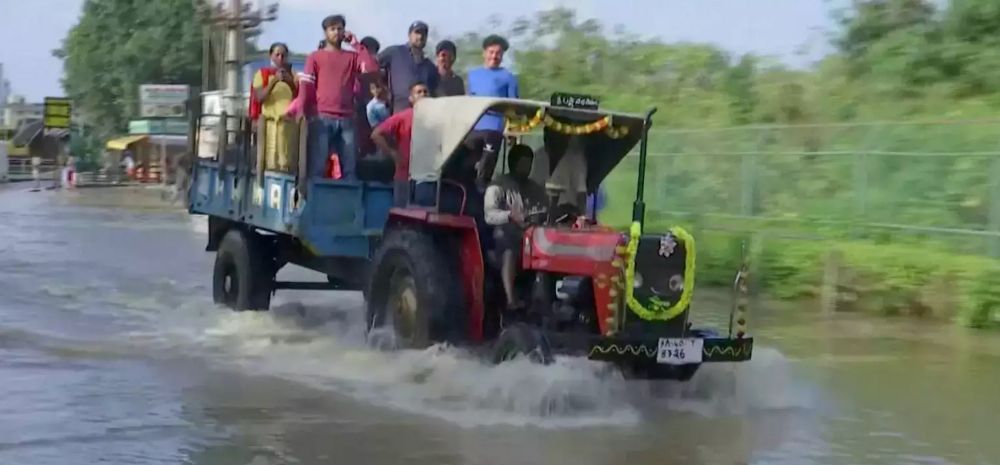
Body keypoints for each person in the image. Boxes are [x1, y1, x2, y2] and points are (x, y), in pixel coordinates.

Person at [303, 14, 377, 182]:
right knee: (318, 167)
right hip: (322, 117)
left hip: (347, 118)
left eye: (340, 28)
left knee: (350, 169)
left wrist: (356, 45)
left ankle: (348, 198)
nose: (337, 32)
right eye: (332, 29)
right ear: (325, 32)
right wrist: (304, 110)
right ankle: (316, 197)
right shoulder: (315, 57)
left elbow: (371, 69)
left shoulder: (352, 57)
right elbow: (306, 86)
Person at [484, 144, 548, 310]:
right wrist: (509, 216)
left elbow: (545, 210)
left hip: (531, 235)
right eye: (523, 164)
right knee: (509, 246)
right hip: (503, 236)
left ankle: (543, 300)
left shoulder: (536, 189)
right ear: (512, 163)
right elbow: (489, 216)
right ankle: (511, 300)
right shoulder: (497, 186)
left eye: (529, 164)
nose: (526, 169)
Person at [465, 34, 518, 187]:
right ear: (484, 53)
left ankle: (483, 189)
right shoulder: (473, 75)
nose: (494, 56)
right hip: (473, 128)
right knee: (467, 166)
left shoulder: (508, 77)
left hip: (494, 128)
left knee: (485, 168)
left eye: (498, 53)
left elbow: (513, 106)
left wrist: (511, 131)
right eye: (491, 52)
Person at [371, 81, 429, 207]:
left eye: (425, 92)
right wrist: (393, 154)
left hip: (427, 177)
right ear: (411, 98)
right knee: (401, 214)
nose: (423, 94)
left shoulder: (435, 119)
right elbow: (376, 134)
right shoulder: (403, 117)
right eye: (419, 92)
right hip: (404, 175)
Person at [250, 42, 297, 172]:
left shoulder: (294, 75)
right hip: (269, 124)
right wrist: (274, 81)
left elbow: (298, 97)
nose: (280, 58)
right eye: (277, 55)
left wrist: (290, 82)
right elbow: (259, 97)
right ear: (271, 56)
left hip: (288, 126)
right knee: (268, 161)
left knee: (286, 162)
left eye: (283, 55)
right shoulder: (262, 74)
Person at [377, 21, 439, 113]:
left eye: (424, 34)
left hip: (423, 114)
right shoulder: (395, 52)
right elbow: (372, 66)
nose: (420, 36)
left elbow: (435, 91)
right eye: (417, 32)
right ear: (409, 35)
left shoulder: (430, 66)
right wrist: (380, 89)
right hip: (399, 110)